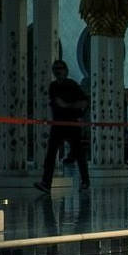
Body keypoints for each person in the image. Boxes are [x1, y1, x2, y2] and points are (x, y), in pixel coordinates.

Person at [36, 60, 90, 192]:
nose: (57, 71)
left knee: (78, 153)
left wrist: (67, 106)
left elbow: (84, 102)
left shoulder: (72, 85)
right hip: (58, 124)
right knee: (51, 154)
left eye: (60, 68)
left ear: (65, 71)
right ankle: (46, 183)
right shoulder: (53, 86)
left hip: (71, 123)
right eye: (55, 69)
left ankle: (85, 181)